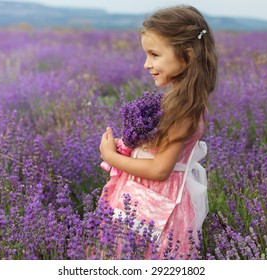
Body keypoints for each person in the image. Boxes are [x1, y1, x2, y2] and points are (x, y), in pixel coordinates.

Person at [99, 5, 218, 258]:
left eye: (154, 54)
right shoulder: (177, 100)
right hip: (144, 199)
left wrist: (111, 157)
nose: (146, 64)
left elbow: (159, 170)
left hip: (157, 206)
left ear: (186, 56)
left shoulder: (185, 109)